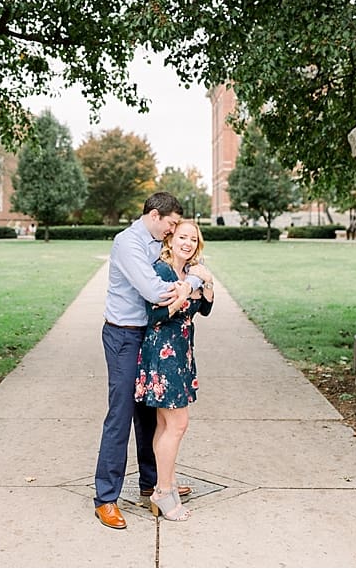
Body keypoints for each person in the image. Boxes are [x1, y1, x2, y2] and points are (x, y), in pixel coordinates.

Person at [93, 192, 206, 529]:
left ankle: (153, 484)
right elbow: (155, 291)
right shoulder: (128, 243)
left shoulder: (157, 242)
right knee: (121, 413)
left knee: (148, 413)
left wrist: (190, 282)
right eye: (171, 224)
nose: (172, 232)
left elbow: (176, 275)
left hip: (148, 336)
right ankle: (106, 498)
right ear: (155, 216)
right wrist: (194, 283)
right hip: (123, 335)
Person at [135, 219, 214, 521]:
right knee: (178, 425)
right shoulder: (162, 270)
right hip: (162, 354)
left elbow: (204, 310)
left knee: (166, 426)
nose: (188, 243)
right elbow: (153, 315)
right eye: (182, 237)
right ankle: (163, 492)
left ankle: (161, 484)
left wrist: (205, 281)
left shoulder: (189, 272)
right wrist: (183, 293)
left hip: (181, 354)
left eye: (193, 239)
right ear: (170, 240)